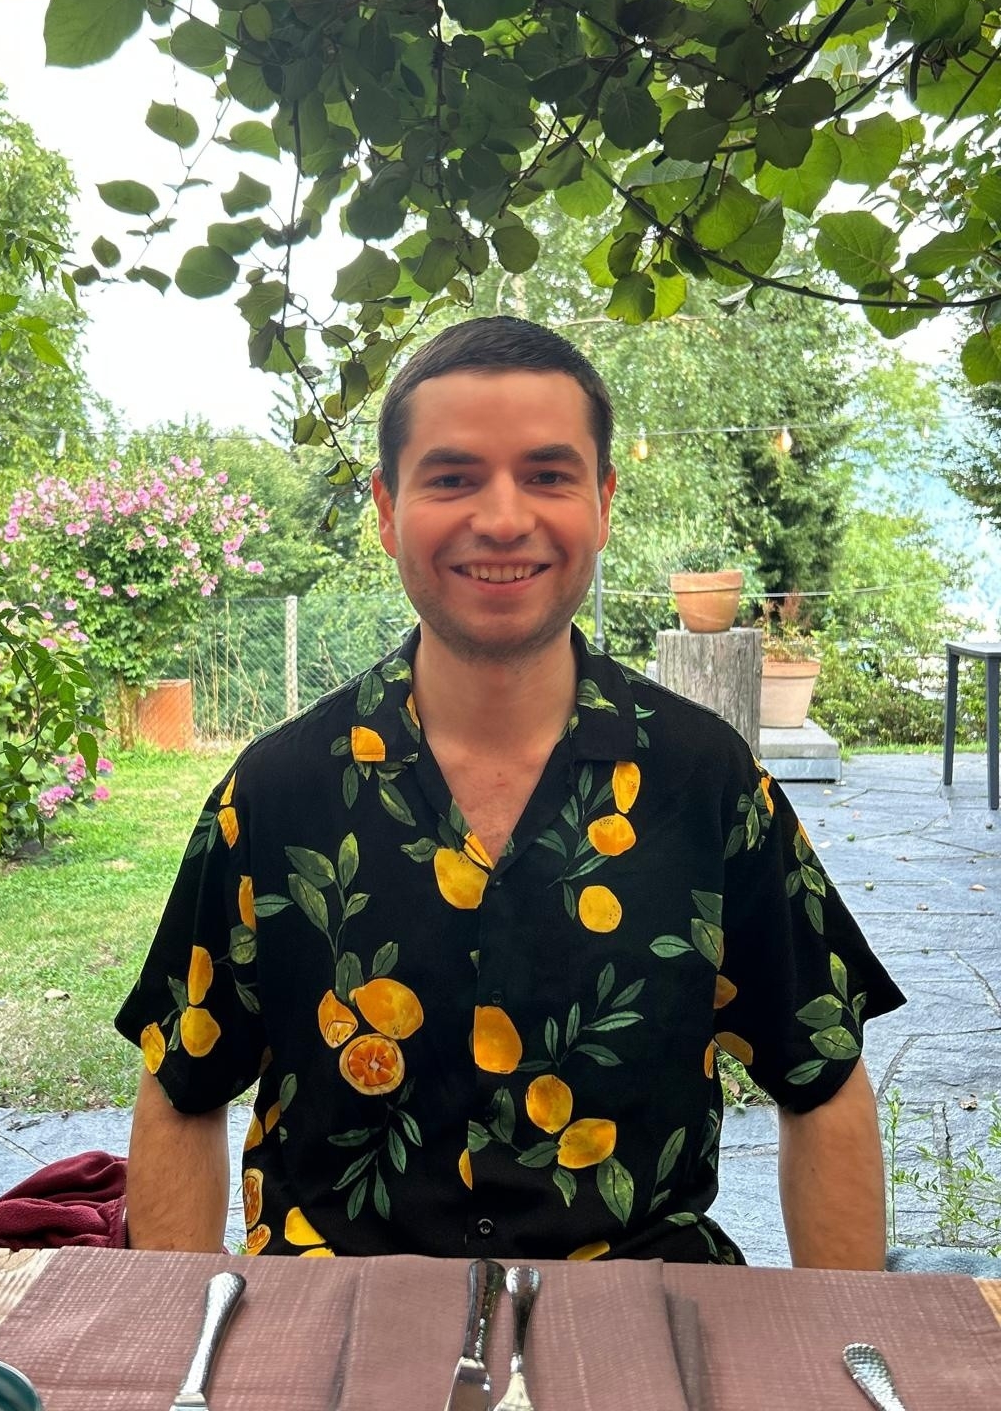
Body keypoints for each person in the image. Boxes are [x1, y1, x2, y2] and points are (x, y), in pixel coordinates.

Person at [116, 316, 904, 1265]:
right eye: (452, 478)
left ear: (602, 503)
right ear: (387, 510)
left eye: (547, 475)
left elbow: (821, 1078)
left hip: (644, 1320)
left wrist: (843, 1340)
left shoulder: (707, 783)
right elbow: (182, 1085)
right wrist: (186, 1340)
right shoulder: (275, 794)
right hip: (328, 1321)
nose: (501, 518)